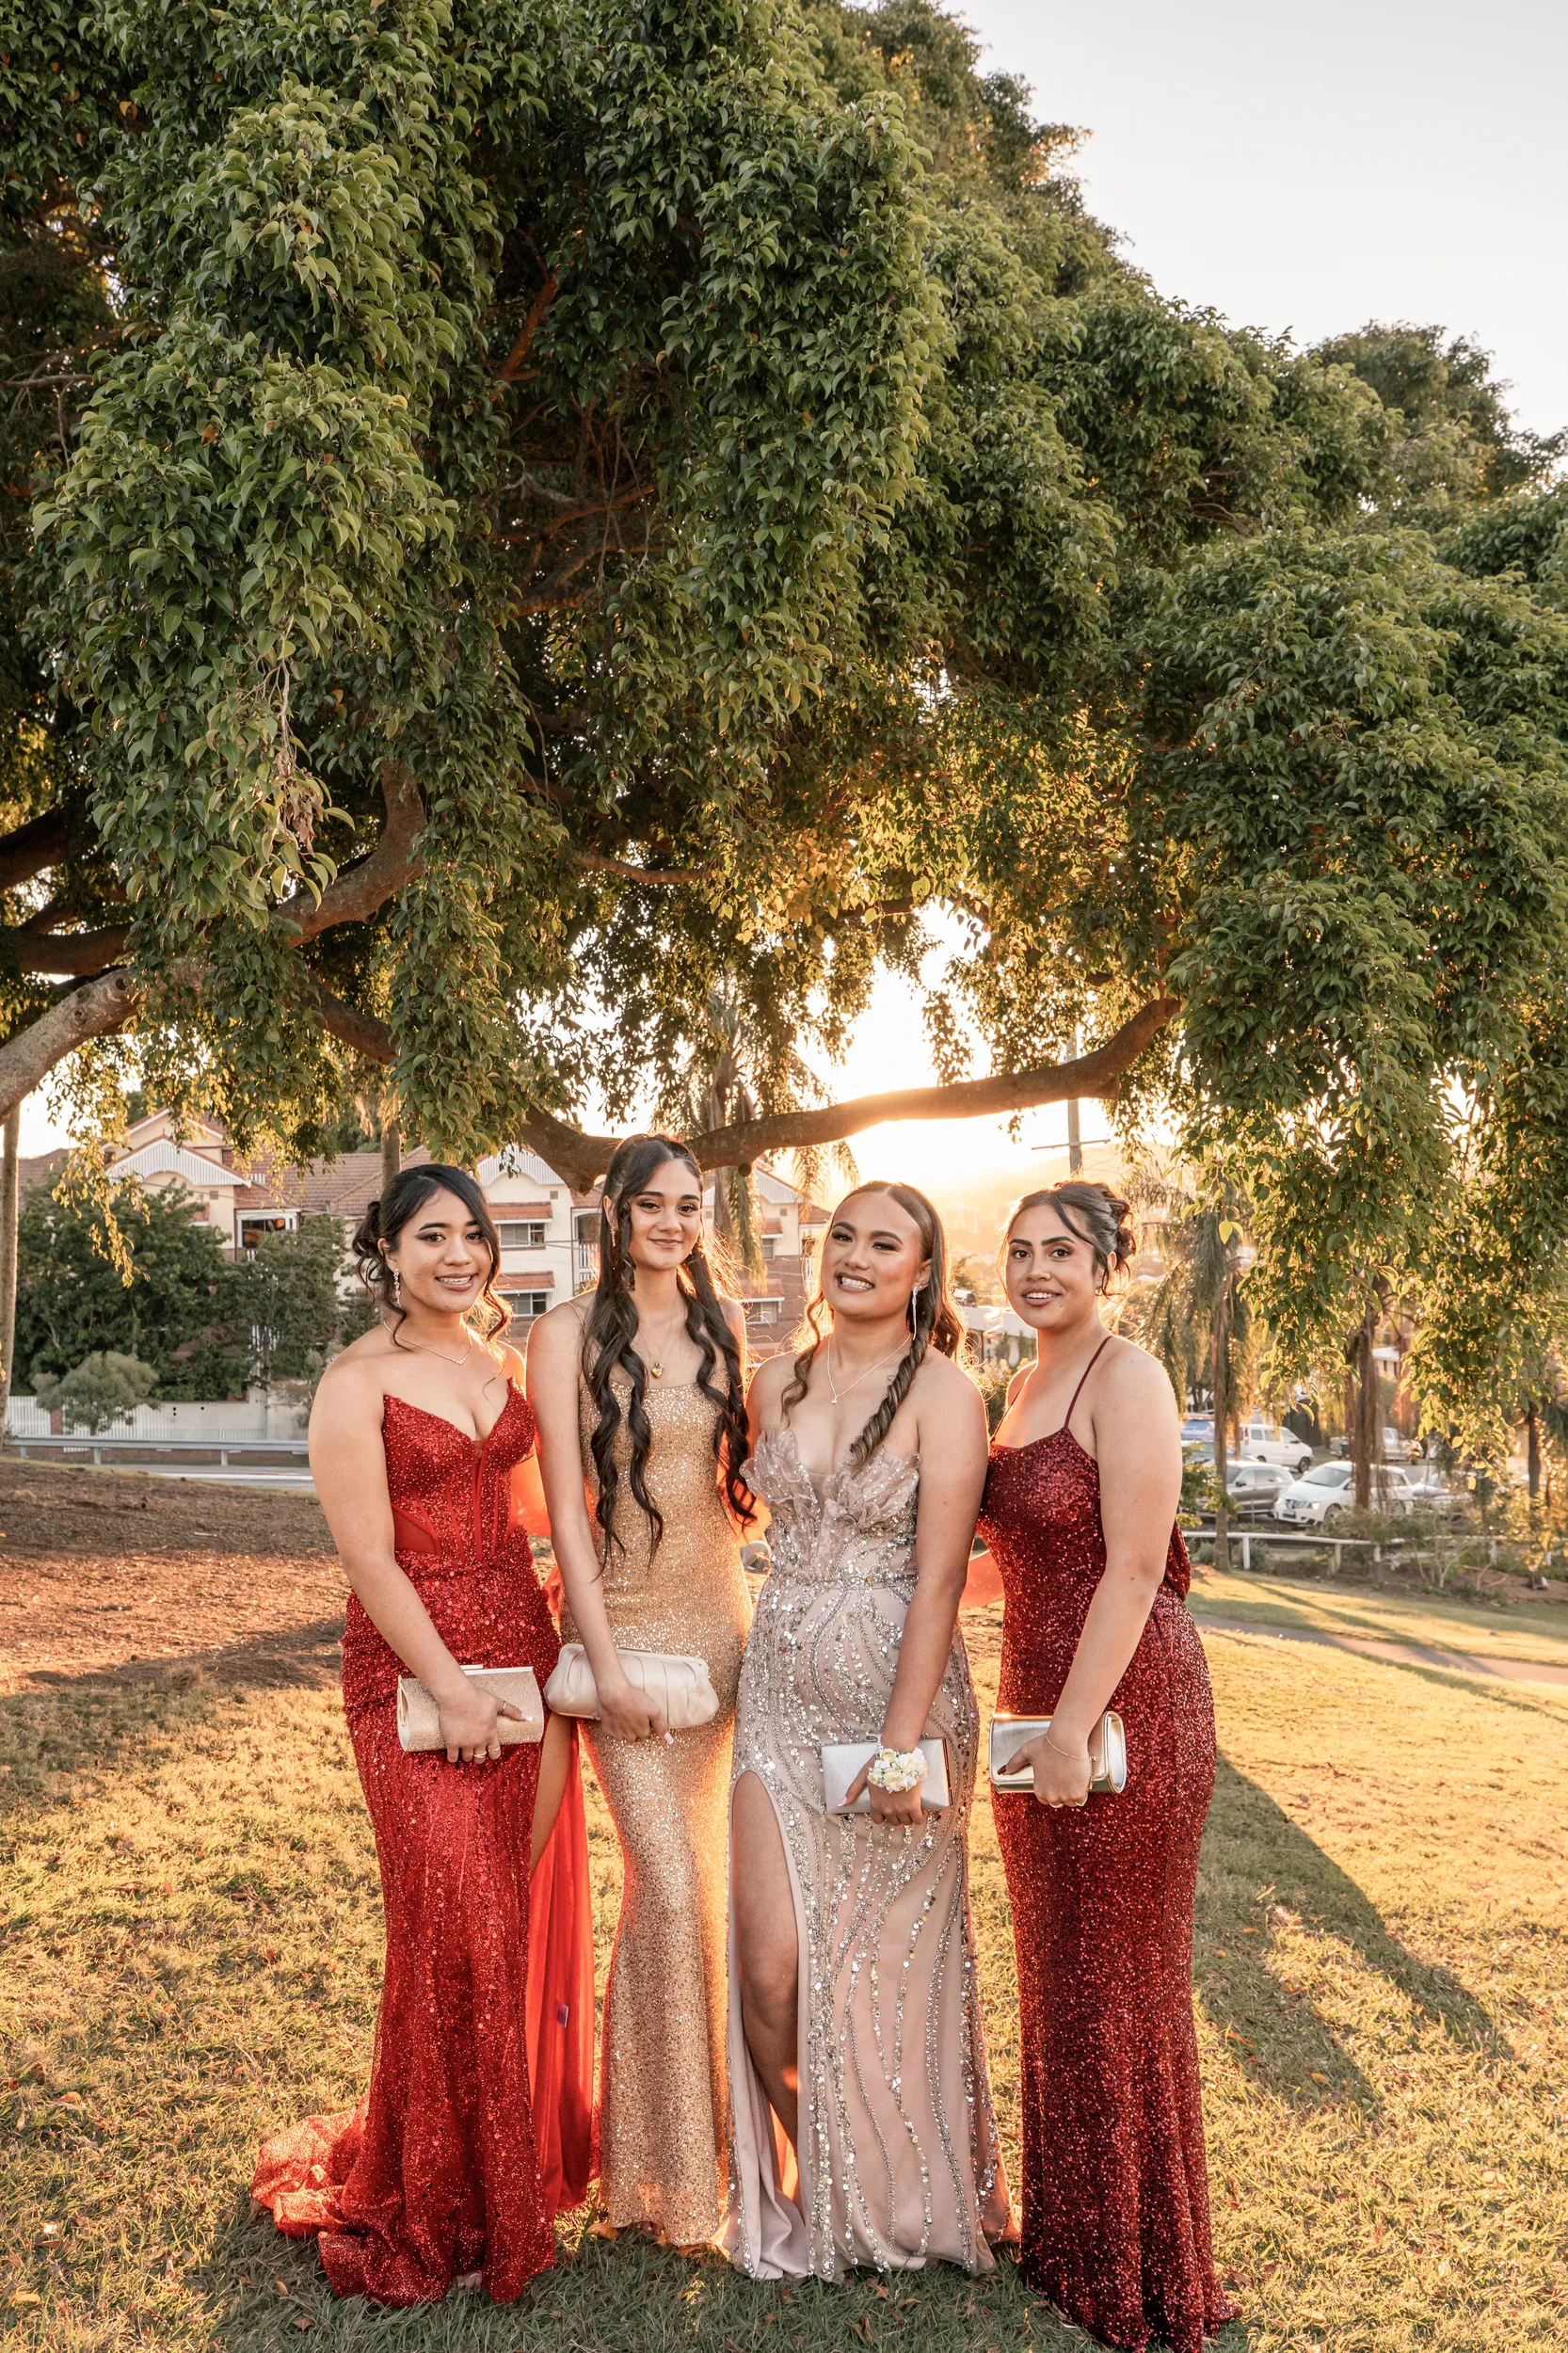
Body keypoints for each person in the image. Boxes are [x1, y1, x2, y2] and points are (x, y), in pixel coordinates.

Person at [251, 1165, 594, 2305]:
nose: (459, 1254)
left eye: (473, 1236)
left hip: (525, 1664)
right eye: (431, 1236)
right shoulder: (357, 1382)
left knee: (494, 1920)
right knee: (452, 1915)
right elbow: (370, 1559)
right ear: (388, 1252)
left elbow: (543, 1508)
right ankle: (436, 2202)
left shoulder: (499, 1364)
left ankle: (469, 2179)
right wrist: (445, 1685)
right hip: (412, 1676)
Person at [726, 1181, 1009, 2281]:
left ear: (920, 1270)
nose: (853, 1254)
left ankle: (887, 2190)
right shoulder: (773, 1382)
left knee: (884, 1973)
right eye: (840, 1234)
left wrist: (901, 1748)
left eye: (881, 1242)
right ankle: (814, 2171)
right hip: (778, 1700)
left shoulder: (948, 1394)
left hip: (902, 1704)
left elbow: (940, 1580)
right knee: (768, 1968)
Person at [977, 1182, 1237, 2352]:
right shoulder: (1022, 1382)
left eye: (1061, 1252)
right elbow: (1015, 1558)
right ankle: (1072, 2240)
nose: (1037, 1269)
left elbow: (1132, 1569)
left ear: (1107, 1266)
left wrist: (1076, 1727)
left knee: (1120, 1981)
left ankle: (1138, 2264)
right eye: (1020, 1251)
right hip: (1035, 1711)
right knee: (1061, 1976)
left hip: (1126, 1707)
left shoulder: (1123, 1376)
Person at [525, 1134, 754, 2249]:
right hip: (622, 1628)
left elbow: (736, 1490)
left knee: (709, 1893)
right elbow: (568, 1509)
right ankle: (653, 2176)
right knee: (661, 1886)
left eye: (689, 1205)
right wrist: (602, 1661)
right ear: (609, 1210)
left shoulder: (724, 1327)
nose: (672, 1221)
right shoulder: (561, 1332)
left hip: (722, 1629)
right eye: (651, 1203)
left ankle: (711, 2161)